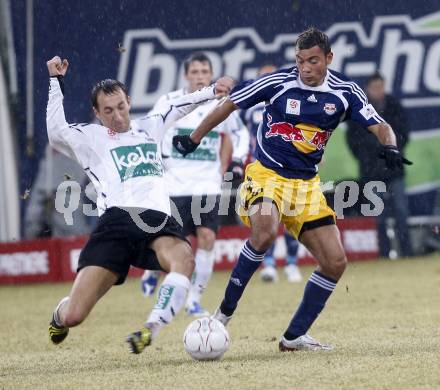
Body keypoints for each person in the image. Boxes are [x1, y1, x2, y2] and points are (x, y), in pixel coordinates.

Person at [172, 27, 411, 351]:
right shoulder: (278, 82)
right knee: (266, 231)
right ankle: (222, 316)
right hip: (265, 175)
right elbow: (230, 104)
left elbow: (379, 124)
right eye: (300, 61)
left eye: (313, 61)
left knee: (335, 262)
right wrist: (194, 137)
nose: (305, 68)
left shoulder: (345, 91)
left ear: (329, 58)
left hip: (306, 187)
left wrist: (391, 146)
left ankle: (294, 336)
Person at [45, 55, 233, 354]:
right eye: (108, 111)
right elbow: (55, 131)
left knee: (184, 260)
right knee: (74, 315)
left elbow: (180, 106)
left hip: (157, 219)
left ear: (129, 101)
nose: (117, 116)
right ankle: (60, 315)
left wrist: (213, 91)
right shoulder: (89, 137)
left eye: (121, 107)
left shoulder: (150, 126)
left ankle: (150, 329)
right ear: (96, 112)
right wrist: (56, 82)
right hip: (116, 223)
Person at [140, 52, 249, 316]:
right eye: (195, 72)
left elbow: (239, 133)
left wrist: (235, 161)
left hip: (207, 185)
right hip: (175, 185)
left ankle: (194, 298)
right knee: (174, 243)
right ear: (186, 76)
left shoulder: (222, 102)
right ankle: (152, 271)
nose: (200, 76)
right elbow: (148, 132)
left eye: (204, 72)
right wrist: (156, 164)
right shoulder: (169, 102)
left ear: (211, 75)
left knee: (207, 238)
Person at [243, 63, 302, 283]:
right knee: (266, 219)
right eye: (262, 77)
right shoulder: (248, 109)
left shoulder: (290, 104)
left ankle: (292, 264)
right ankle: (268, 264)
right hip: (261, 171)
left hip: (290, 170)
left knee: (290, 218)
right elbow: (241, 137)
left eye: (271, 76)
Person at [346, 72, 413, 258]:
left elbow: (404, 134)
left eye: (381, 86)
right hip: (371, 173)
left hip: (394, 169)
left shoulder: (394, 106)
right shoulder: (359, 109)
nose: (379, 90)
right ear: (368, 89)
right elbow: (353, 141)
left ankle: (406, 252)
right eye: (375, 87)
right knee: (379, 216)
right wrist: (370, 155)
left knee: (401, 212)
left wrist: (390, 151)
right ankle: (383, 253)